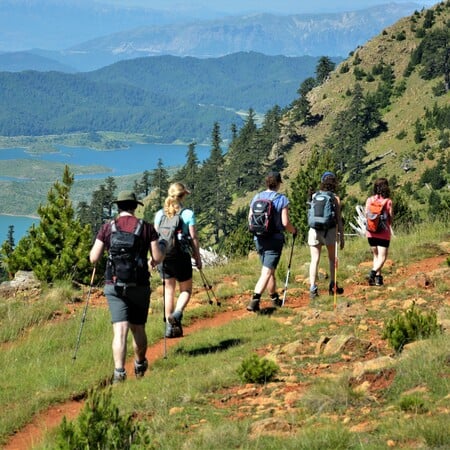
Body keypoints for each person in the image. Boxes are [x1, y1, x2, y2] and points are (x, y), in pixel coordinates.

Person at [89, 190, 165, 383]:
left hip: (114, 285)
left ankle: (119, 373)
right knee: (138, 329)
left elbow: (93, 258)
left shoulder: (107, 228)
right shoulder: (146, 228)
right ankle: (139, 365)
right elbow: (156, 258)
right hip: (139, 285)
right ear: (134, 207)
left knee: (120, 331)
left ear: (118, 207)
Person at [154, 182, 202, 338]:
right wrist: (197, 256)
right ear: (182, 196)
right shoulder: (187, 214)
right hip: (181, 256)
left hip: (164, 257)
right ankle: (178, 313)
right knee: (186, 290)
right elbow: (193, 237)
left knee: (169, 291)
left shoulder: (160, 214)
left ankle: (170, 327)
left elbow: (156, 237)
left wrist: (155, 258)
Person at [246, 171, 297, 312]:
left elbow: (250, 218)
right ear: (279, 183)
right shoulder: (282, 199)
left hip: (259, 238)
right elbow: (285, 222)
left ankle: (274, 298)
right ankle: (254, 299)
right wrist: (294, 231)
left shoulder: (257, 196)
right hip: (274, 239)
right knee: (267, 271)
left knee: (269, 270)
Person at [308, 171, 345, 299]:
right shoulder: (335, 198)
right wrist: (341, 236)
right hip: (329, 231)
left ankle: (313, 288)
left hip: (314, 230)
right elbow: (339, 219)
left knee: (314, 260)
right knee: (332, 259)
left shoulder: (314, 196)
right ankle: (332, 285)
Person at [365, 177, 393, 286]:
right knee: (382, 257)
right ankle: (373, 273)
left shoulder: (369, 200)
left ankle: (378, 279)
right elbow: (391, 218)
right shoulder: (388, 201)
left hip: (371, 232)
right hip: (383, 233)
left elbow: (366, 215)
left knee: (375, 255)